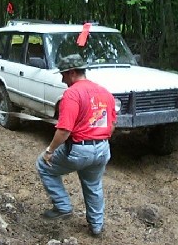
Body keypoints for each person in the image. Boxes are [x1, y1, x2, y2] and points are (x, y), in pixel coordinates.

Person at [36, 54, 116, 238]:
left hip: (80, 150)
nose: (62, 79)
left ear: (72, 72)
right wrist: (98, 139)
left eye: (63, 74)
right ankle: (96, 227)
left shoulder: (72, 94)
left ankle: (62, 206)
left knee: (43, 165)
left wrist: (50, 151)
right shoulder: (104, 92)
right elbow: (111, 125)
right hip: (103, 148)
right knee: (94, 185)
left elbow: (64, 131)